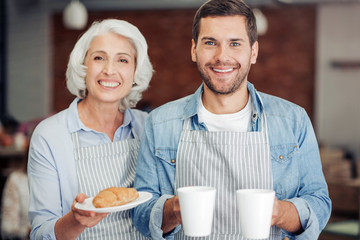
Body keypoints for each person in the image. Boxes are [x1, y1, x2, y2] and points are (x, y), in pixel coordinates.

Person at [132, 0, 331, 239]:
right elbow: (140, 211)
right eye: (210, 43)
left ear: (253, 52)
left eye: (235, 43)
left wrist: (280, 213)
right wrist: (173, 210)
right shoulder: (160, 122)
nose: (222, 56)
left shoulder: (293, 120)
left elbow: (319, 203)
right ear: (194, 50)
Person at [28, 19, 153, 239]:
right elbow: (40, 233)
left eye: (122, 60)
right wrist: (75, 221)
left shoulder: (148, 126)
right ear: (83, 66)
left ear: (135, 72)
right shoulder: (49, 135)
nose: (109, 70)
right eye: (98, 58)